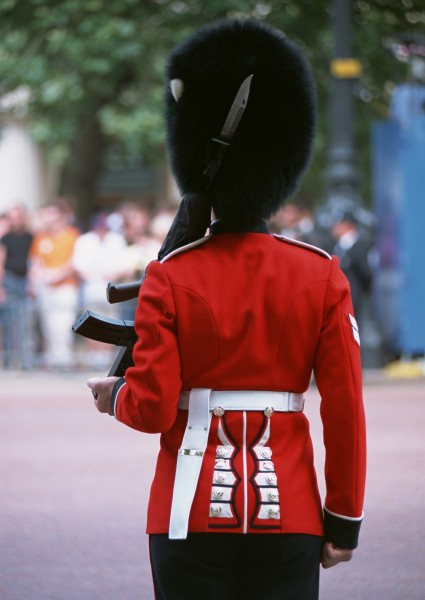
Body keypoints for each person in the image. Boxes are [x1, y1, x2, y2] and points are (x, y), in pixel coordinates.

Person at [87, 19, 366, 600]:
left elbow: (154, 408)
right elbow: (344, 410)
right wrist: (342, 516)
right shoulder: (321, 274)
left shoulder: (172, 274)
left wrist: (115, 397)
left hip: (187, 513)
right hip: (290, 511)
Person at [29, 199, 80, 369]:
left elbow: (73, 262)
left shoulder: (72, 235)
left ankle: (64, 360)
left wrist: (55, 275)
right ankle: (52, 360)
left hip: (65, 287)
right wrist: (36, 279)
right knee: (48, 326)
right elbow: (35, 261)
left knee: (63, 325)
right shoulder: (41, 237)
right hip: (46, 288)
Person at [72, 212, 127, 368]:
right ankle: (94, 355)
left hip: (112, 290)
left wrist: (112, 274)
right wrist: (94, 275)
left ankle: (106, 356)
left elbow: (123, 266)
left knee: (111, 322)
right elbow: (78, 266)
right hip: (92, 289)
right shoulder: (84, 241)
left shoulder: (117, 240)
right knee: (93, 322)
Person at [0, 204, 33, 369]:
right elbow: (1, 261)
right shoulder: (5, 238)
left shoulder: (30, 237)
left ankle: (25, 361)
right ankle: (7, 360)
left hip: (24, 281)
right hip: (10, 281)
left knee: (24, 322)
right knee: (8, 322)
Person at [331, 211, 373, 321]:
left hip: (355, 298)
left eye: (339, 224)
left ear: (348, 225)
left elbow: (366, 273)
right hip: (340, 297)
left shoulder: (359, 246)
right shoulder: (338, 246)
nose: (335, 227)